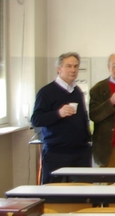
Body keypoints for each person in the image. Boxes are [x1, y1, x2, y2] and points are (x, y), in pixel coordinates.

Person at [31, 52, 91, 184]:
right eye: (68, 66)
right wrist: (58, 113)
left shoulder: (77, 91)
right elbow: (36, 119)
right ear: (59, 69)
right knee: (56, 194)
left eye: (76, 66)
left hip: (80, 151)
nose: (73, 70)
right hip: (57, 153)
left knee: (83, 193)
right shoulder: (46, 92)